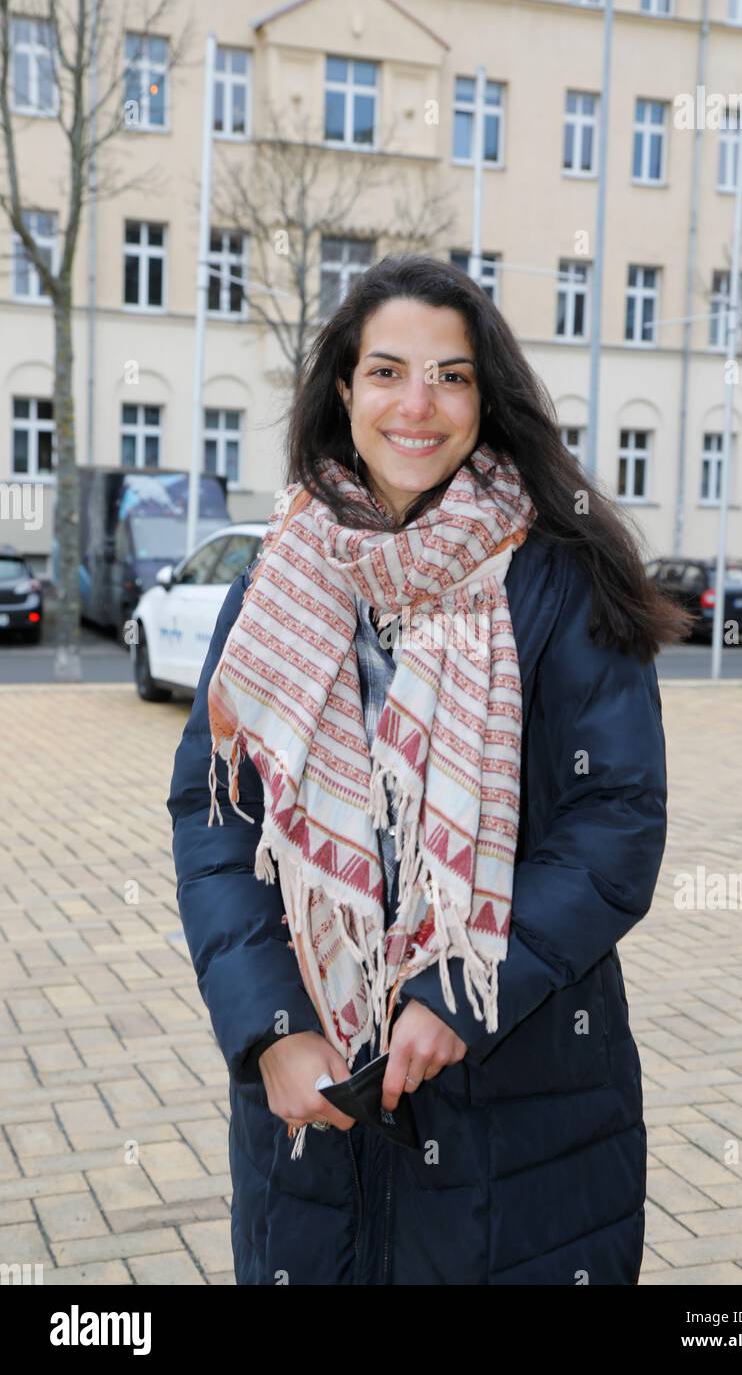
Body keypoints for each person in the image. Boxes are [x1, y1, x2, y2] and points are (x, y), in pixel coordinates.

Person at [167, 253, 687, 1286]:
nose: (419, 404)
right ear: (343, 393)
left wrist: (459, 991)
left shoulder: (560, 576)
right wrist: (269, 1027)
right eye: (387, 371)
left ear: (485, 398)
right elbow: (213, 813)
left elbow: (614, 821)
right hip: (312, 1117)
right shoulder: (276, 578)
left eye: (450, 375)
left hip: (519, 1100)